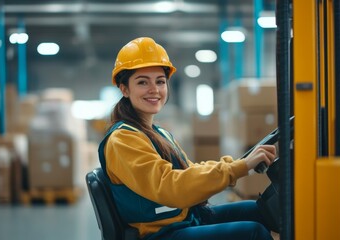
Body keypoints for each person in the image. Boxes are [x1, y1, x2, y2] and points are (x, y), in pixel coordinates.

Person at [98, 37, 276, 240]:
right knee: (253, 233)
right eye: (142, 82)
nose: (154, 89)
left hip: (183, 219)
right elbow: (169, 186)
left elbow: (189, 172)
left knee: (261, 211)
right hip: (161, 233)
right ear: (124, 89)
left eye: (160, 81)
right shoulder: (123, 139)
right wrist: (238, 168)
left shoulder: (157, 133)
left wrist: (235, 165)